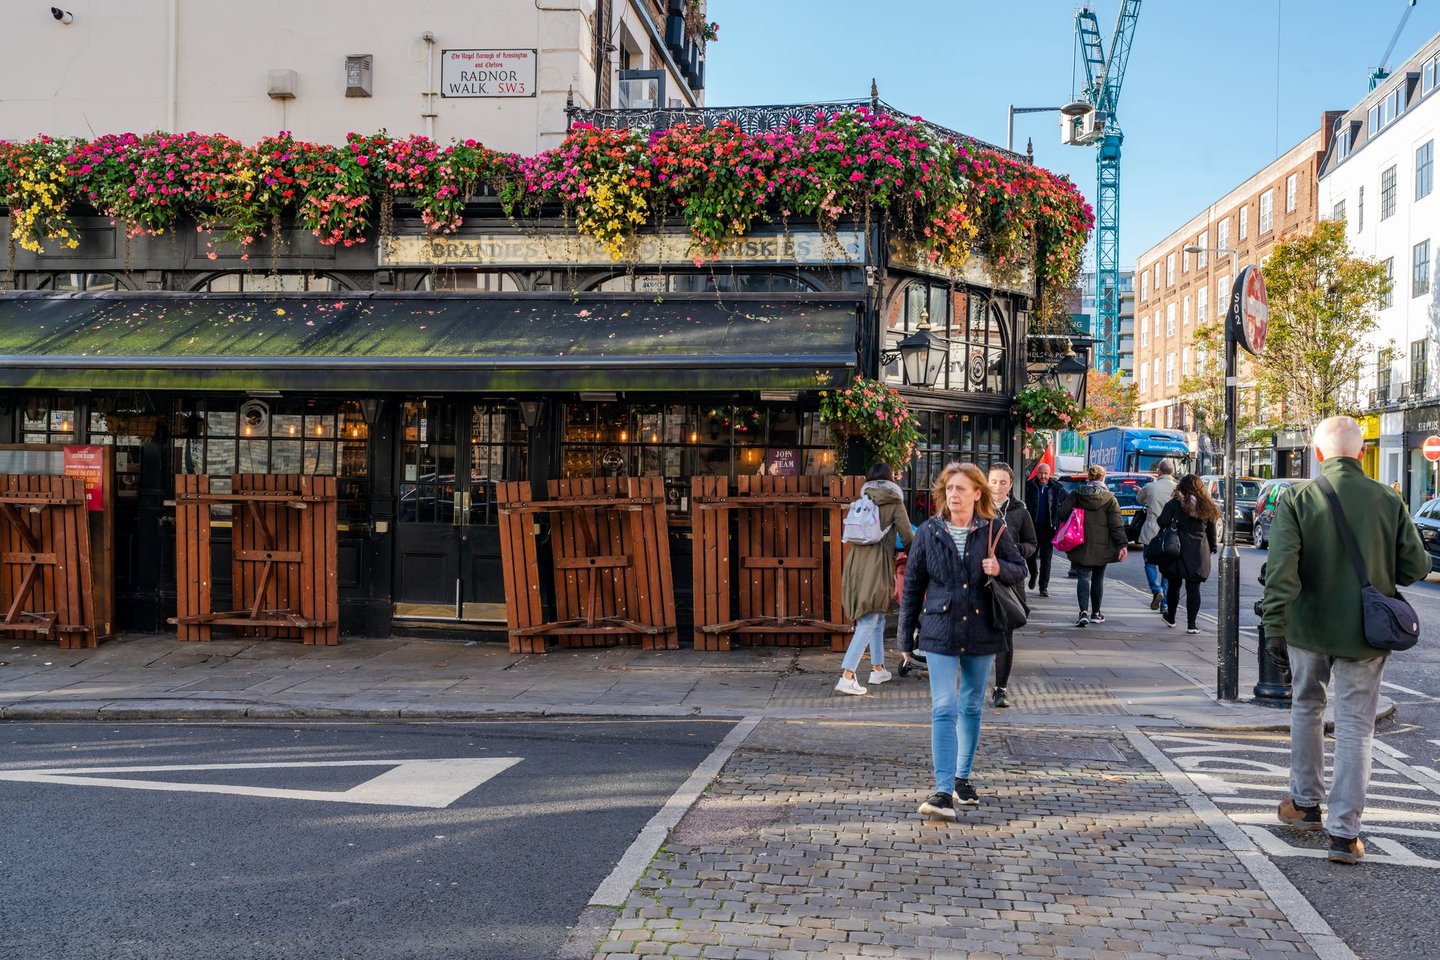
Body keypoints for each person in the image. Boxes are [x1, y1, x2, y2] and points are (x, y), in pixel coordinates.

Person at [1261, 416, 1429, 865]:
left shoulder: (1299, 497)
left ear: (1317, 455)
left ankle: (1303, 804)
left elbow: (1281, 570)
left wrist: (1275, 625)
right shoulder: (1386, 499)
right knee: (1357, 727)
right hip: (1365, 633)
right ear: (1360, 453)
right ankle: (1344, 833)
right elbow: (1415, 567)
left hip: (1307, 627)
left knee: (1307, 708)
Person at [897, 462, 1027, 820]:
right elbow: (913, 587)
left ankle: (962, 779)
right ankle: (942, 791)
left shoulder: (994, 529)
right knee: (944, 707)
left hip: (982, 627)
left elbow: (1020, 569)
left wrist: (999, 568)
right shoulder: (928, 531)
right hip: (939, 628)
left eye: (961, 489)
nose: (954, 495)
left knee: (971, 705)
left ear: (977, 494)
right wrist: (905, 635)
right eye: (949, 489)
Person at [836, 464, 914, 695]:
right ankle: (847, 676)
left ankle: (878, 669)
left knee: (878, 616)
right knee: (870, 618)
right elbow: (908, 535)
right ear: (891, 480)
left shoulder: (864, 500)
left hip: (855, 561)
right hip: (878, 563)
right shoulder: (893, 501)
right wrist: (917, 556)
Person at [988, 463, 1037, 708]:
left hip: (1010, 579)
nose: (998, 486)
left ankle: (1000, 689)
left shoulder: (1020, 511)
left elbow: (1032, 543)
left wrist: (1016, 549)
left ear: (1011, 484)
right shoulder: (977, 507)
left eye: (1003, 482)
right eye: (994, 481)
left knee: (1005, 636)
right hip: (982, 579)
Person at [1056, 465, 1127, 627]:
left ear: (1088, 477)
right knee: (1097, 579)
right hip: (1103, 546)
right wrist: (1123, 544)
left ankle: (1083, 613)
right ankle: (1096, 613)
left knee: (1083, 576)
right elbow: (1116, 524)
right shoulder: (1110, 499)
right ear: (1103, 478)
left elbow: (1061, 514)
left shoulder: (1076, 495)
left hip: (1080, 542)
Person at [1155, 473, 1219, 634]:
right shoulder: (1206, 505)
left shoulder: (1175, 503)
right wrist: (1212, 547)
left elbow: (1162, 522)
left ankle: (1171, 617)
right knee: (1193, 587)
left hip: (1176, 547)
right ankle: (1192, 624)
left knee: (1174, 585)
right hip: (1198, 549)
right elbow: (1212, 532)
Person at [1135, 459, 1178, 613]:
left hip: (1152, 530)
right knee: (1167, 568)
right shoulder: (1178, 488)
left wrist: (1140, 491)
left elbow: (1139, 499)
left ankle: (1156, 589)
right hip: (1171, 532)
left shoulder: (1151, 486)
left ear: (1159, 471)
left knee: (1149, 562)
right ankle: (1165, 603)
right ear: (1172, 472)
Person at [1024, 461, 1063, 597]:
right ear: (1037, 473)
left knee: (1046, 559)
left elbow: (1066, 505)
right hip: (1032, 527)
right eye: (1040, 473)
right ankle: (1034, 573)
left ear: (1050, 473)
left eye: (1045, 473)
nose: (1043, 476)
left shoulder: (1057, 488)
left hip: (1049, 528)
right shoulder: (1029, 486)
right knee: (1030, 555)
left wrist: (1059, 522)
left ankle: (1043, 587)